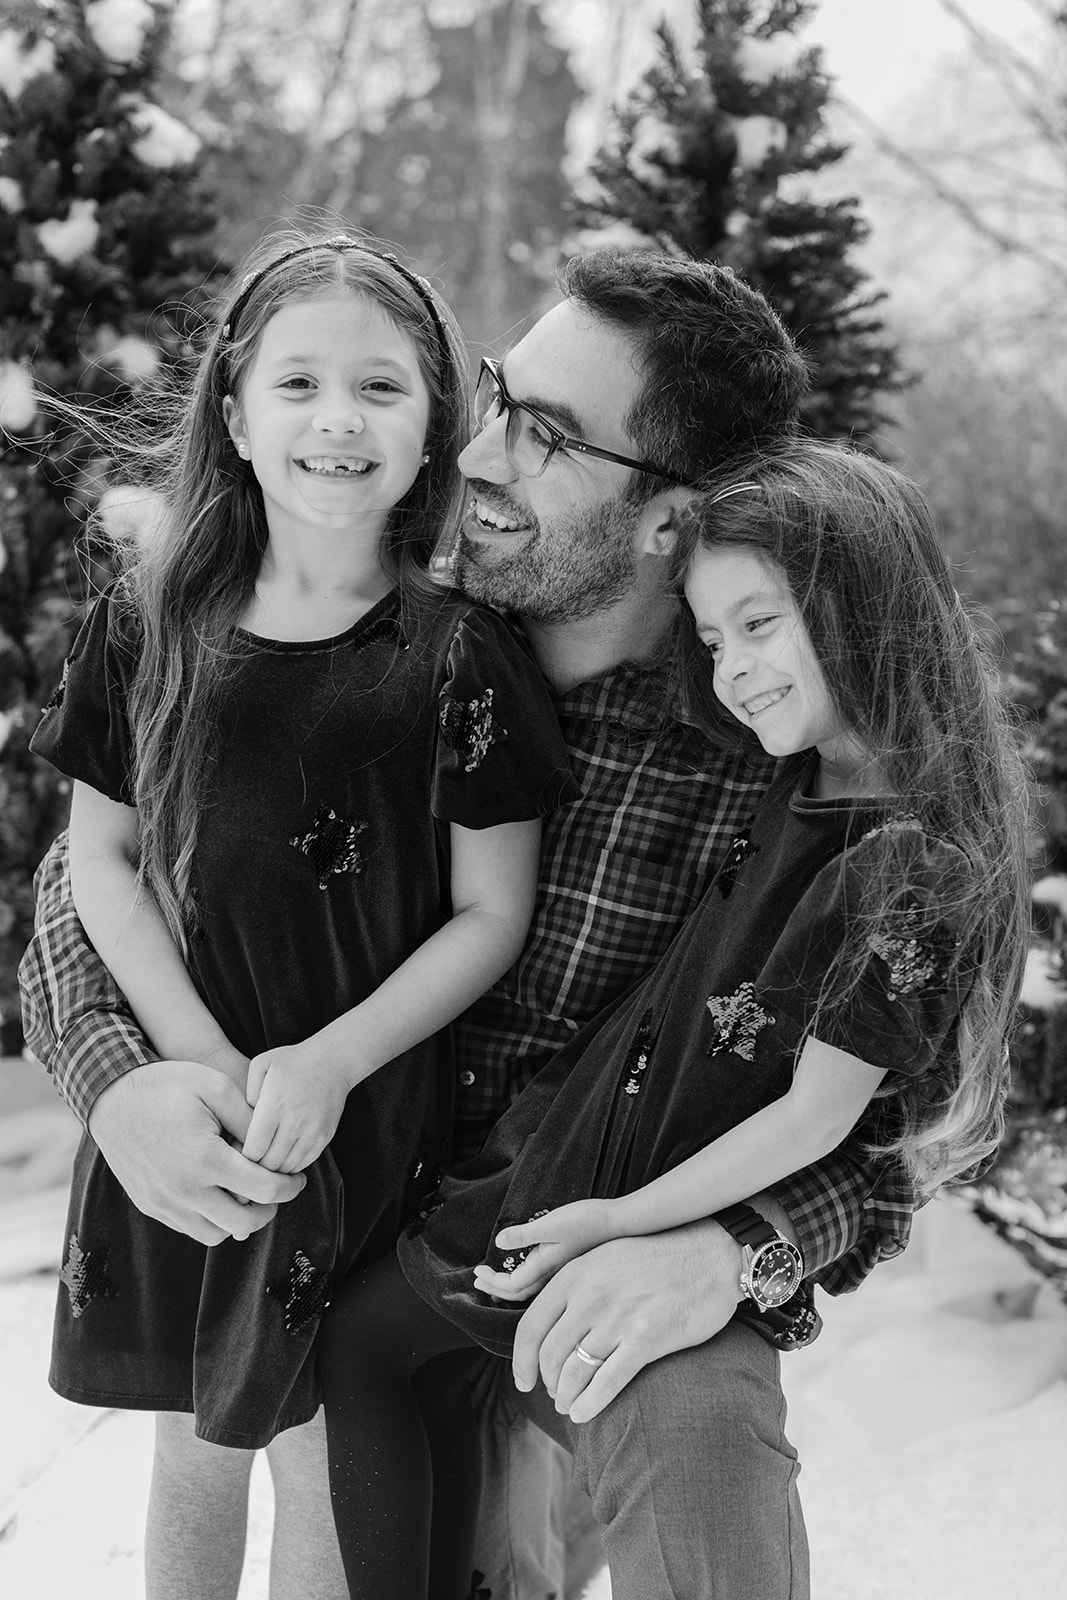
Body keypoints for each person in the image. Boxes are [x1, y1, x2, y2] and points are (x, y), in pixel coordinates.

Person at [22, 247, 920, 1600]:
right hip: (324, 1204)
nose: (479, 450)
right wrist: (125, 1082)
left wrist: (726, 1251)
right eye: (497, 395)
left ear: (668, 520)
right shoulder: (361, 579)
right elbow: (96, 871)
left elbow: (890, 1116)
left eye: (545, 434)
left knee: (693, 1418)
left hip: (571, 1244)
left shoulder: (767, 742)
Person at [314, 437, 1031, 1597]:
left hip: (626, 1204)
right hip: (557, 1166)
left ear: (865, 605)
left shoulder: (907, 865)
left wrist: (623, 1221)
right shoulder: (795, 777)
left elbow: (816, 1120)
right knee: (367, 1344)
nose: (732, 668)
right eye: (710, 637)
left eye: (759, 625)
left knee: (397, 1351)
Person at [24, 228, 577, 1600]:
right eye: (298, 384)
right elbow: (100, 861)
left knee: (321, 1451)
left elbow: (488, 912)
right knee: (191, 1449)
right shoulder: (149, 623)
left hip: (353, 1122)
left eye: (381, 387)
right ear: (232, 413)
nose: (338, 419)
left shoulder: (461, 653)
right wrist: (192, 1061)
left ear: (435, 423)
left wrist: (329, 1063)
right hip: (189, 1110)